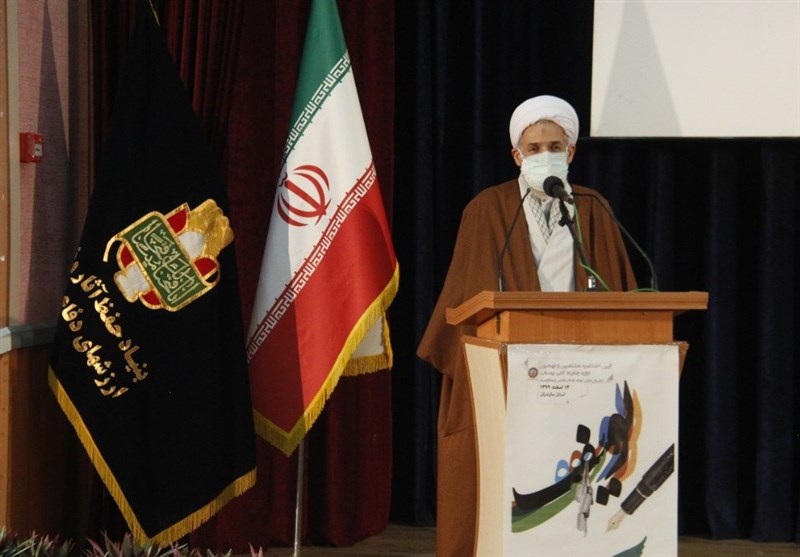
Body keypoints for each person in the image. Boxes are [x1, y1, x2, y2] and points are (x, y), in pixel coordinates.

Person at [417, 94, 637, 556]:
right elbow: (465, 300)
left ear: (570, 152)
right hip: (509, 371)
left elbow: (620, 297)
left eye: (554, 147)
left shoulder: (593, 209)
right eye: (533, 148)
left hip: (581, 372)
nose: (544, 156)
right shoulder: (487, 209)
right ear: (516, 155)